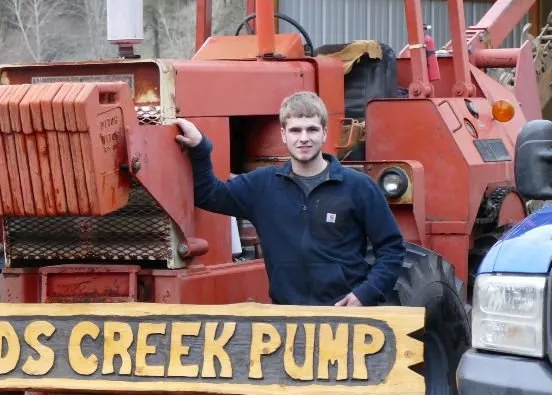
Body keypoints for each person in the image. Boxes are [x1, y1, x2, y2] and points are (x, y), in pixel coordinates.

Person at [174, 90, 406, 307]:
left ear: (324, 133)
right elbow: (209, 195)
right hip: (288, 319)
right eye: (296, 130)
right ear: (284, 135)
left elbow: (392, 249)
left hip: (347, 315)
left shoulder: (358, 187)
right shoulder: (262, 185)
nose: (304, 138)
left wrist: (365, 294)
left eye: (312, 129)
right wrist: (200, 149)